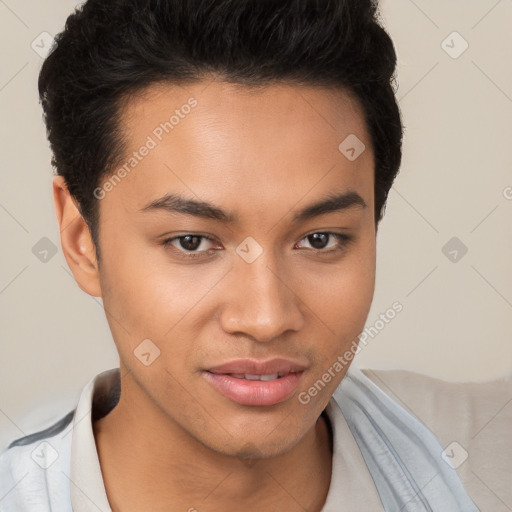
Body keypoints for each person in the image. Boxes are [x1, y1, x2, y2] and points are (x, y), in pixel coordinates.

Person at [0, 0, 481, 510]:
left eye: (320, 240)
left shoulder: (481, 464)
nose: (266, 318)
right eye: (192, 242)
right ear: (82, 242)